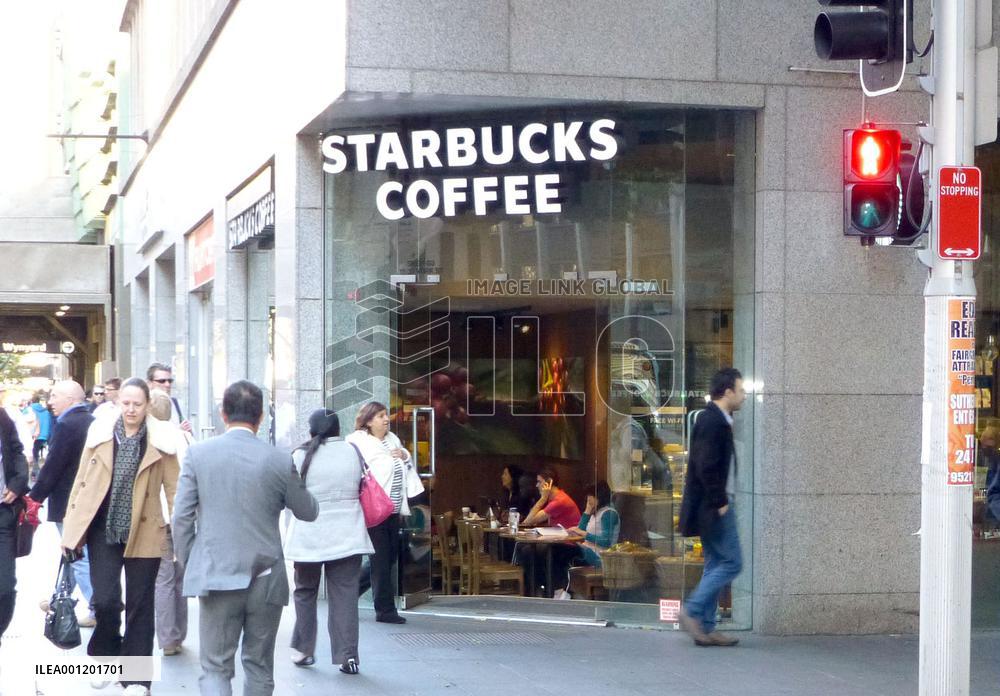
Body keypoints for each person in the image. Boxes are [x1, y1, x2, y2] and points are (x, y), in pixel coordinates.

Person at [172, 380, 318, 696]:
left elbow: (181, 518)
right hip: (267, 577)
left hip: (216, 574)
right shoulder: (280, 460)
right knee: (259, 665)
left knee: (215, 668)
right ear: (261, 416)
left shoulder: (198, 455)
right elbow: (308, 511)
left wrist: (192, 561)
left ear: (223, 414)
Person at [61, 377, 180, 695]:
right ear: (117, 403)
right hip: (102, 528)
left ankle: (137, 678)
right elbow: (81, 482)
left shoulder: (161, 439)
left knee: (141, 606)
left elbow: (175, 490)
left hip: (145, 529)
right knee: (106, 600)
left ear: (147, 406)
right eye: (125, 403)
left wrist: (180, 536)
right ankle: (106, 660)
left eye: (137, 404)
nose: (130, 409)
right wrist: (71, 529)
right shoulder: (100, 434)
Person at [285, 409, 373, 674]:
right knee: (345, 595)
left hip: (308, 535)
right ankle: (348, 657)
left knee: (305, 592)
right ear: (337, 428)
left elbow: (291, 497)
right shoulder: (352, 451)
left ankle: (304, 651)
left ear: (311, 430)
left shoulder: (300, 455)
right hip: (348, 533)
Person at [678, 367, 746, 648]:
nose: (744, 396)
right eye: (741, 390)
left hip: (712, 504)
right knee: (732, 562)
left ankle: (705, 627)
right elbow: (705, 465)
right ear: (727, 391)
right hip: (714, 506)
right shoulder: (712, 422)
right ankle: (692, 611)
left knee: (715, 563)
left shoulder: (718, 420)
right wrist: (719, 501)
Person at [26, 380, 96, 626]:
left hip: (68, 502)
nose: (50, 402)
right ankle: (59, 598)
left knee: (76, 554)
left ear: (71, 398)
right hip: (85, 500)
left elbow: (53, 466)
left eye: (55, 396)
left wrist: (34, 498)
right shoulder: (89, 421)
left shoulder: (67, 424)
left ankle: (98, 608)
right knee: (72, 553)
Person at [346, 401, 423, 624]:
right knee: (380, 559)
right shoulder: (357, 441)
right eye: (380, 416)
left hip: (393, 507)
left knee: (388, 556)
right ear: (368, 421)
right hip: (373, 508)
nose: (386, 419)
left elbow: (402, 460)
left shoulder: (392, 439)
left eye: (386, 415)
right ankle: (385, 610)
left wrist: (405, 455)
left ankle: (347, 593)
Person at [148, 390, 192, 657]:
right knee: (180, 577)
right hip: (183, 516)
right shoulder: (184, 436)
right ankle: (179, 634)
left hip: (156, 517)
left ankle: (167, 638)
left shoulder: (146, 439)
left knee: (162, 579)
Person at [520, 468, 581, 596]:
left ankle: (544, 590)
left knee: (530, 551)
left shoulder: (559, 501)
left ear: (549, 483)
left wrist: (542, 499)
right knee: (526, 550)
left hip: (571, 544)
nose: (537, 485)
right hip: (560, 542)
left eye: (539, 482)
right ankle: (542, 588)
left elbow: (528, 521)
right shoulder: (555, 499)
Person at [0, 407, 29, 648]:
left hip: (3, 515)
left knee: (5, 589)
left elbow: (17, 451)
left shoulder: (2, 417)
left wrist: (18, 482)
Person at [567, 481, 620, 567]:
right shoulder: (596, 511)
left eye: (592, 495)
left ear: (600, 497)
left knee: (564, 553)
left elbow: (606, 541)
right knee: (559, 550)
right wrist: (587, 510)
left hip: (600, 556)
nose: (589, 498)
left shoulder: (609, 513)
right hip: (588, 551)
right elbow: (580, 530)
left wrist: (584, 534)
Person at [147, 363, 192, 435]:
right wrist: (178, 432)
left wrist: (189, 431)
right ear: (149, 383)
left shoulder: (178, 404)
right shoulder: (143, 405)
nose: (167, 385)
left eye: (170, 381)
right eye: (162, 381)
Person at [28, 392, 53, 482]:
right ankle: (37, 472)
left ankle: (35, 473)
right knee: (36, 453)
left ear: (31, 401)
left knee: (33, 454)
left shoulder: (29, 410)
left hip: (33, 436)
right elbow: (50, 425)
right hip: (44, 436)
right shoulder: (46, 412)